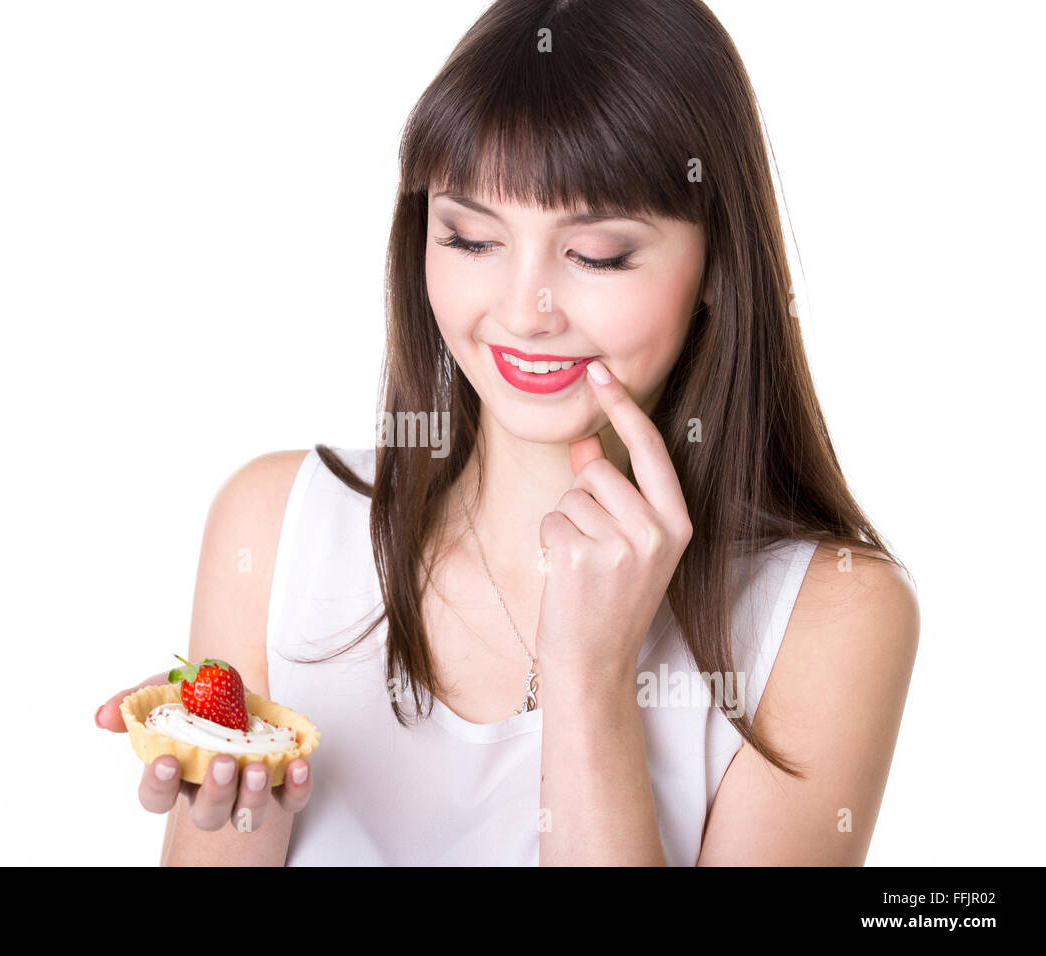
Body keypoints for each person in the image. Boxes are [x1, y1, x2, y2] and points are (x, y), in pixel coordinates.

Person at [95, 0, 919, 865]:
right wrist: (228, 800)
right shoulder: (277, 527)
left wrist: (591, 683)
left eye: (597, 254)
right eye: (471, 238)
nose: (526, 312)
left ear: (717, 263)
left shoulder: (831, 615)